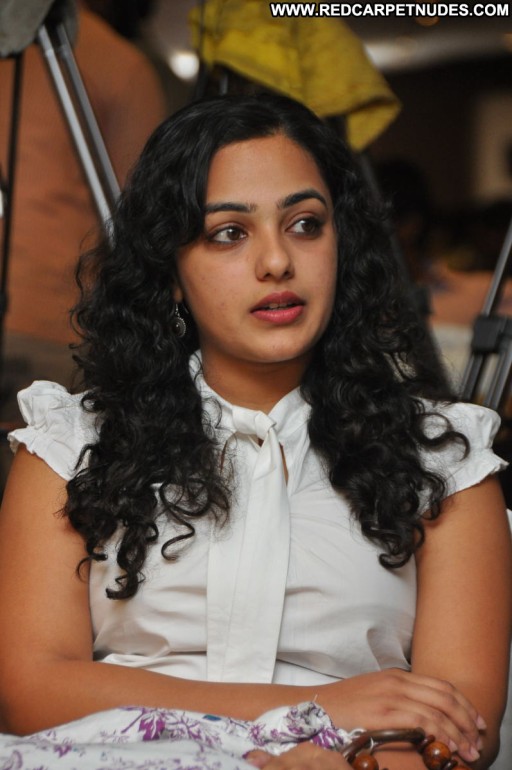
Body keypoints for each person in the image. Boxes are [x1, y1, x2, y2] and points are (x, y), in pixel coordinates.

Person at [0, 93, 510, 770]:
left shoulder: (445, 462)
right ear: (170, 271)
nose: (276, 261)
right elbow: (31, 692)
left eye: (305, 224)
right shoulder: (69, 447)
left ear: (342, 244)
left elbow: (460, 729)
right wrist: (313, 711)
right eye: (229, 233)